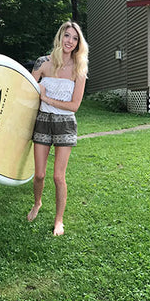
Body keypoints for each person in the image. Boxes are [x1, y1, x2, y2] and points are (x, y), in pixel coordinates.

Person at [27, 21, 89, 236]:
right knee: (40, 175)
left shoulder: (79, 69)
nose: (70, 41)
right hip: (42, 121)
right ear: (60, 37)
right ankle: (37, 203)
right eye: (67, 36)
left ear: (78, 43)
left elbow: (74, 106)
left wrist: (46, 98)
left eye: (74, 38)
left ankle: (59, 220)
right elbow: (27, 93)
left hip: (65, 123)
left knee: (58, 177)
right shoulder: (42, 63)